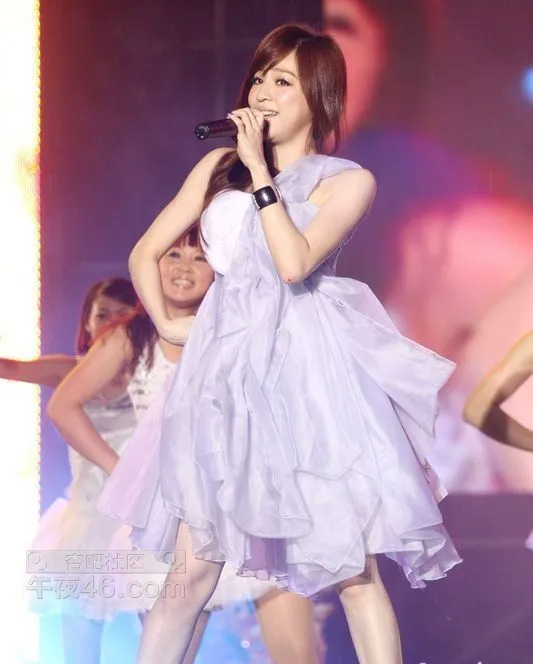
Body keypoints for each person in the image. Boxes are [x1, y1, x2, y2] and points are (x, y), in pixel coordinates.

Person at [90, 23, 459, 664]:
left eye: (282, 81)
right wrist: (171, 324)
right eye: (259, 76)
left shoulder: (347, 180)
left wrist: (261, 172)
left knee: (353, 571)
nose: (262, 91)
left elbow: (294, 264)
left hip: (311, 380)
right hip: (224, 381)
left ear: (318, 97)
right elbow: (145, 252)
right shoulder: (217, 169)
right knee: (191, 571)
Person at [48, 230, 323, 664]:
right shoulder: (130, 336)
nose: (183, 267)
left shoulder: (238, 325)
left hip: (251, 503)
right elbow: (63, 406)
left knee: (298, 656)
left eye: (199, 257)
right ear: (153, 262)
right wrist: (124, 472)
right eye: (173, 254)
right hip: (175, 516)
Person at [0, 277, 137, 664]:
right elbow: (10, 367)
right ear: (87, 322)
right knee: (80, 643)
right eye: (102, 314)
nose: (111, 322)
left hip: (141, 517)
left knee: (165, 631)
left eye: (123, 315)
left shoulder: (156, 373)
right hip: (87, 519)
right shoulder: (70, 372)